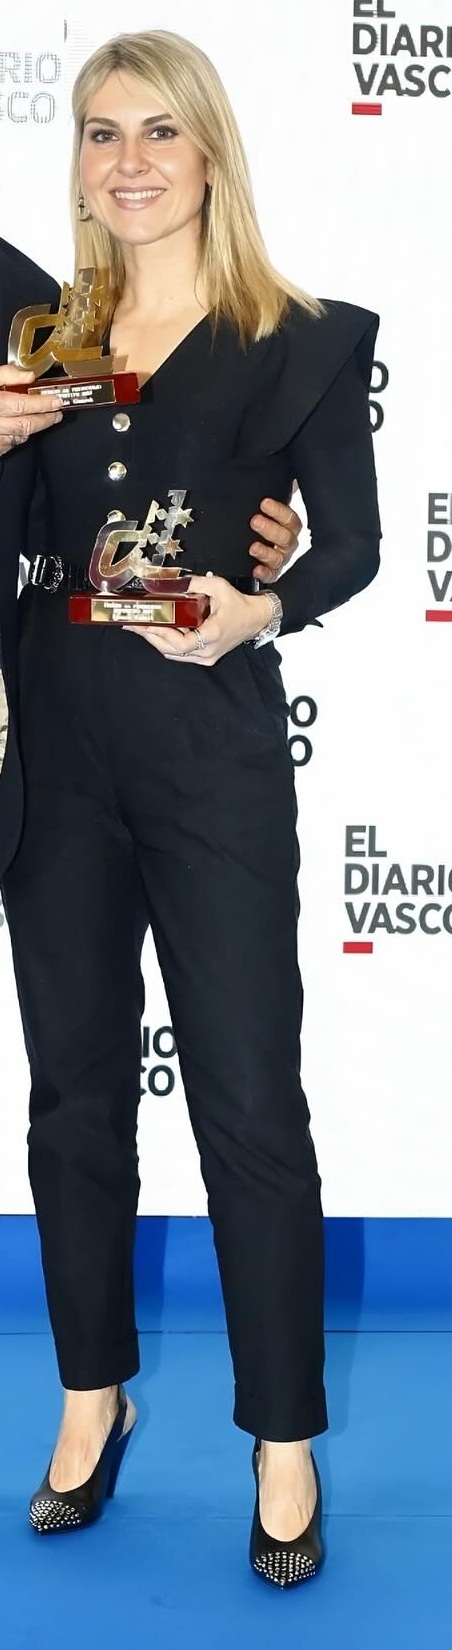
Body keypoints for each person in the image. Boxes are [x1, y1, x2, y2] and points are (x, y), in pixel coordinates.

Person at [0, 30, 381, 1585]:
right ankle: (93, 1396)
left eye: (161, 131)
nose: (131, 161)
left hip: (211, 755)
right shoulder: (41, 340)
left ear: (211, 151)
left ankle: (282, 1433)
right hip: (56, 753)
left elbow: (350, 545)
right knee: (73, 1095)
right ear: (78, 162)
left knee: (248, 1100)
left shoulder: (292, 339)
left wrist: (261, 608)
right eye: (103, 133)